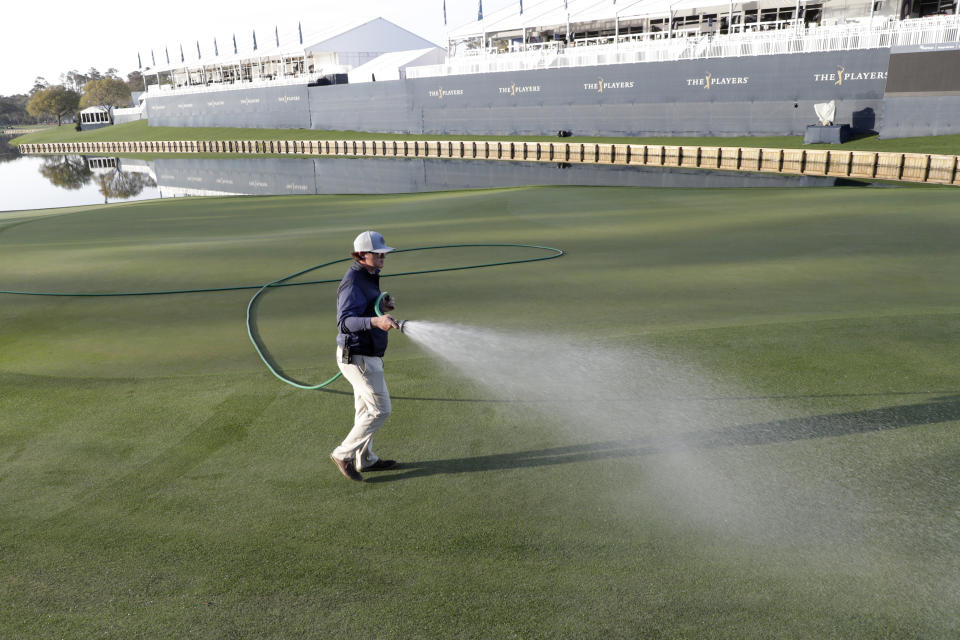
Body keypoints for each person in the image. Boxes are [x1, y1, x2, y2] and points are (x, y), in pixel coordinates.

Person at [330, 230, 402, 482]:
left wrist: (382, 307)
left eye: (383, 253)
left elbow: (364, 308)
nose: (383, 257)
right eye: (378, 253)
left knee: (365, 410)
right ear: (362, 255)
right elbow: (345, 322)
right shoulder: (352, 281)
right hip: (358, 356)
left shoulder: (369, 275)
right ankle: (343, 454)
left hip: (366, 354)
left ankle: (366, 460)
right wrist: (376, 320)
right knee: (380, 410)